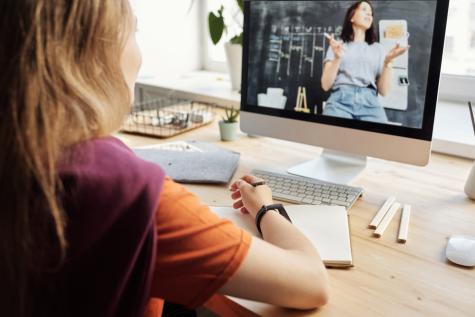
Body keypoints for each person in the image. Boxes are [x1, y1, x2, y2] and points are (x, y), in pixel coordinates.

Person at [0, 1, 329, 316]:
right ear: (94, 53)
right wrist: (265, 208)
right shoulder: (128, 191)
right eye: (134, 33)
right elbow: (311, 282)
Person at [321, 0, 408, 123]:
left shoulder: (378, 49)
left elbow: (384, 91)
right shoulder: (338, 46)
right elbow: (325, 85)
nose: (369, 14)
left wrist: (388, 62)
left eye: (371, 13)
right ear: (352, 17)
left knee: (381, 139)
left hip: (370, 103)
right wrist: (337, 58)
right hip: (340, 101)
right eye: (364, 10)